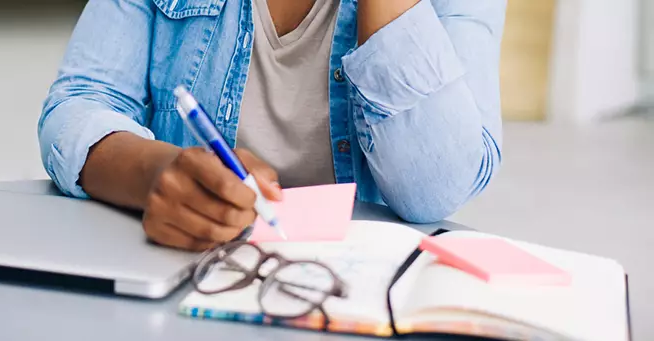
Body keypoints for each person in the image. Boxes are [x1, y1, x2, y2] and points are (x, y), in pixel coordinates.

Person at [38, 0, 506, 251]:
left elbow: (436, 188)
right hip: (193, 270)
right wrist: (158, 172)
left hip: (356, 291)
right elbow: (79, 103)